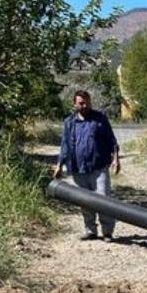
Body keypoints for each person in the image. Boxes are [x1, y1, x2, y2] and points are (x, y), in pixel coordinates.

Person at [53, 90, 121, 240]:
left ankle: (107, 231)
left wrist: (116, 159)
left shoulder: (100, 119)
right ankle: (90, 230)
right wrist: (59, 165)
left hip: (99, 167)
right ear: (74, 104)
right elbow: (65, 145)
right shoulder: (69, 122)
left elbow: (112, 141)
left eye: (87, 102)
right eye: (81, 103)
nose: (85, 105)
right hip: (78, 168)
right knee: (84, 201)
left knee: (103, 199)